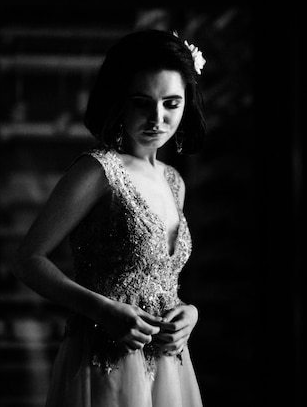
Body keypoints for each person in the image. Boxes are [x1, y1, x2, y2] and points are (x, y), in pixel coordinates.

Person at [13, 29, 207, 407]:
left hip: (169, 368)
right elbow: (27, 260)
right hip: (106, 361)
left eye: (171, 103)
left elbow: (159, 278)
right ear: (119, 101)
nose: (158, 117)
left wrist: (190, 313)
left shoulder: (173, 181)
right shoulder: (97, 170)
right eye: (142, 102)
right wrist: (102, 310)